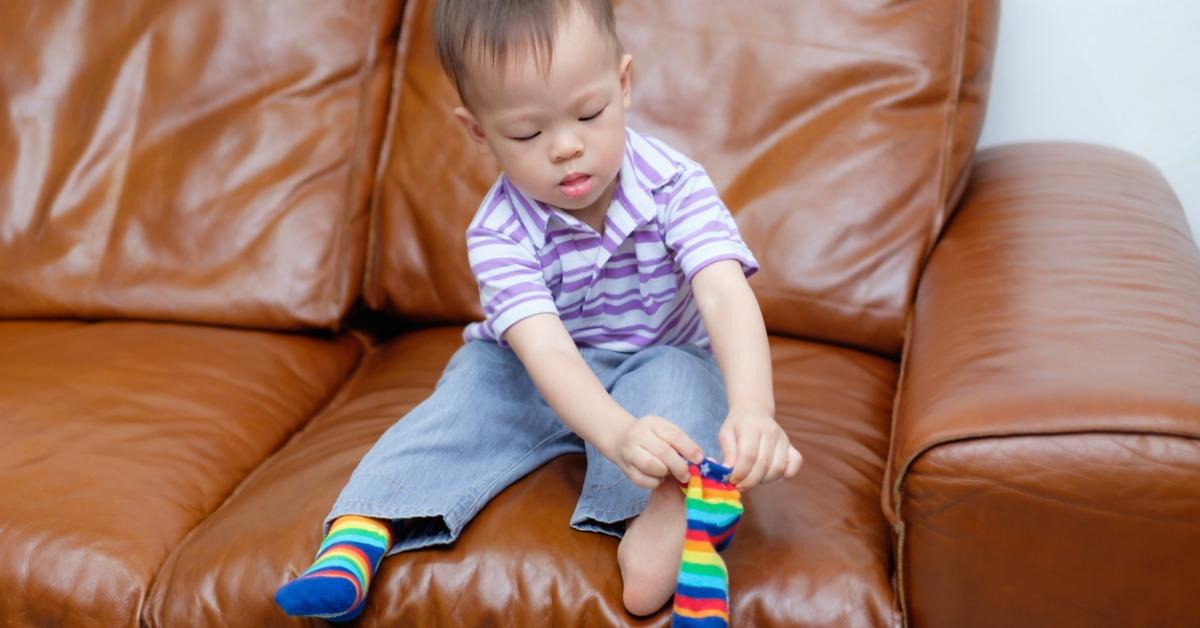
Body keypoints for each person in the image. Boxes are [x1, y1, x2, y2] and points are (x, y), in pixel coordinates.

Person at [275, 0, 803, 621]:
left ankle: (673, 521)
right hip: (533, 364)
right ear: (479, 132)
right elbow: (546, 349)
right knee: (464, 397)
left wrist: (753, 409)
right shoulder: (497, 232)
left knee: (686, 390)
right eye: (527, 134)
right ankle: (360, 534)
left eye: (589, 113)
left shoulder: (674, 184)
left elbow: (721, 290)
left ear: (623, 85)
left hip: (658, 350)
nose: (567, 147)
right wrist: (614, 433)